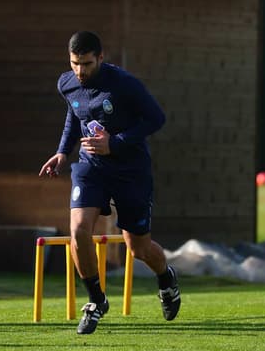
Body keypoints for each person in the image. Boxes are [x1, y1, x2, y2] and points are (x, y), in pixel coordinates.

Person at [38, 31, 181, 335]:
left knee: (138, 248)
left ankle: (166, 277)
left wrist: (115, 143)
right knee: (78, 230)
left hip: (130, 171)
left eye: (87, 64)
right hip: (91, 169)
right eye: (75, 63)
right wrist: (63, 151)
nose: (80, 71)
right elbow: (73, 114)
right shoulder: (67, 83)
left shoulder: (124, 84)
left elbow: (156, 118)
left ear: (101, 58)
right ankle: (96, 301)